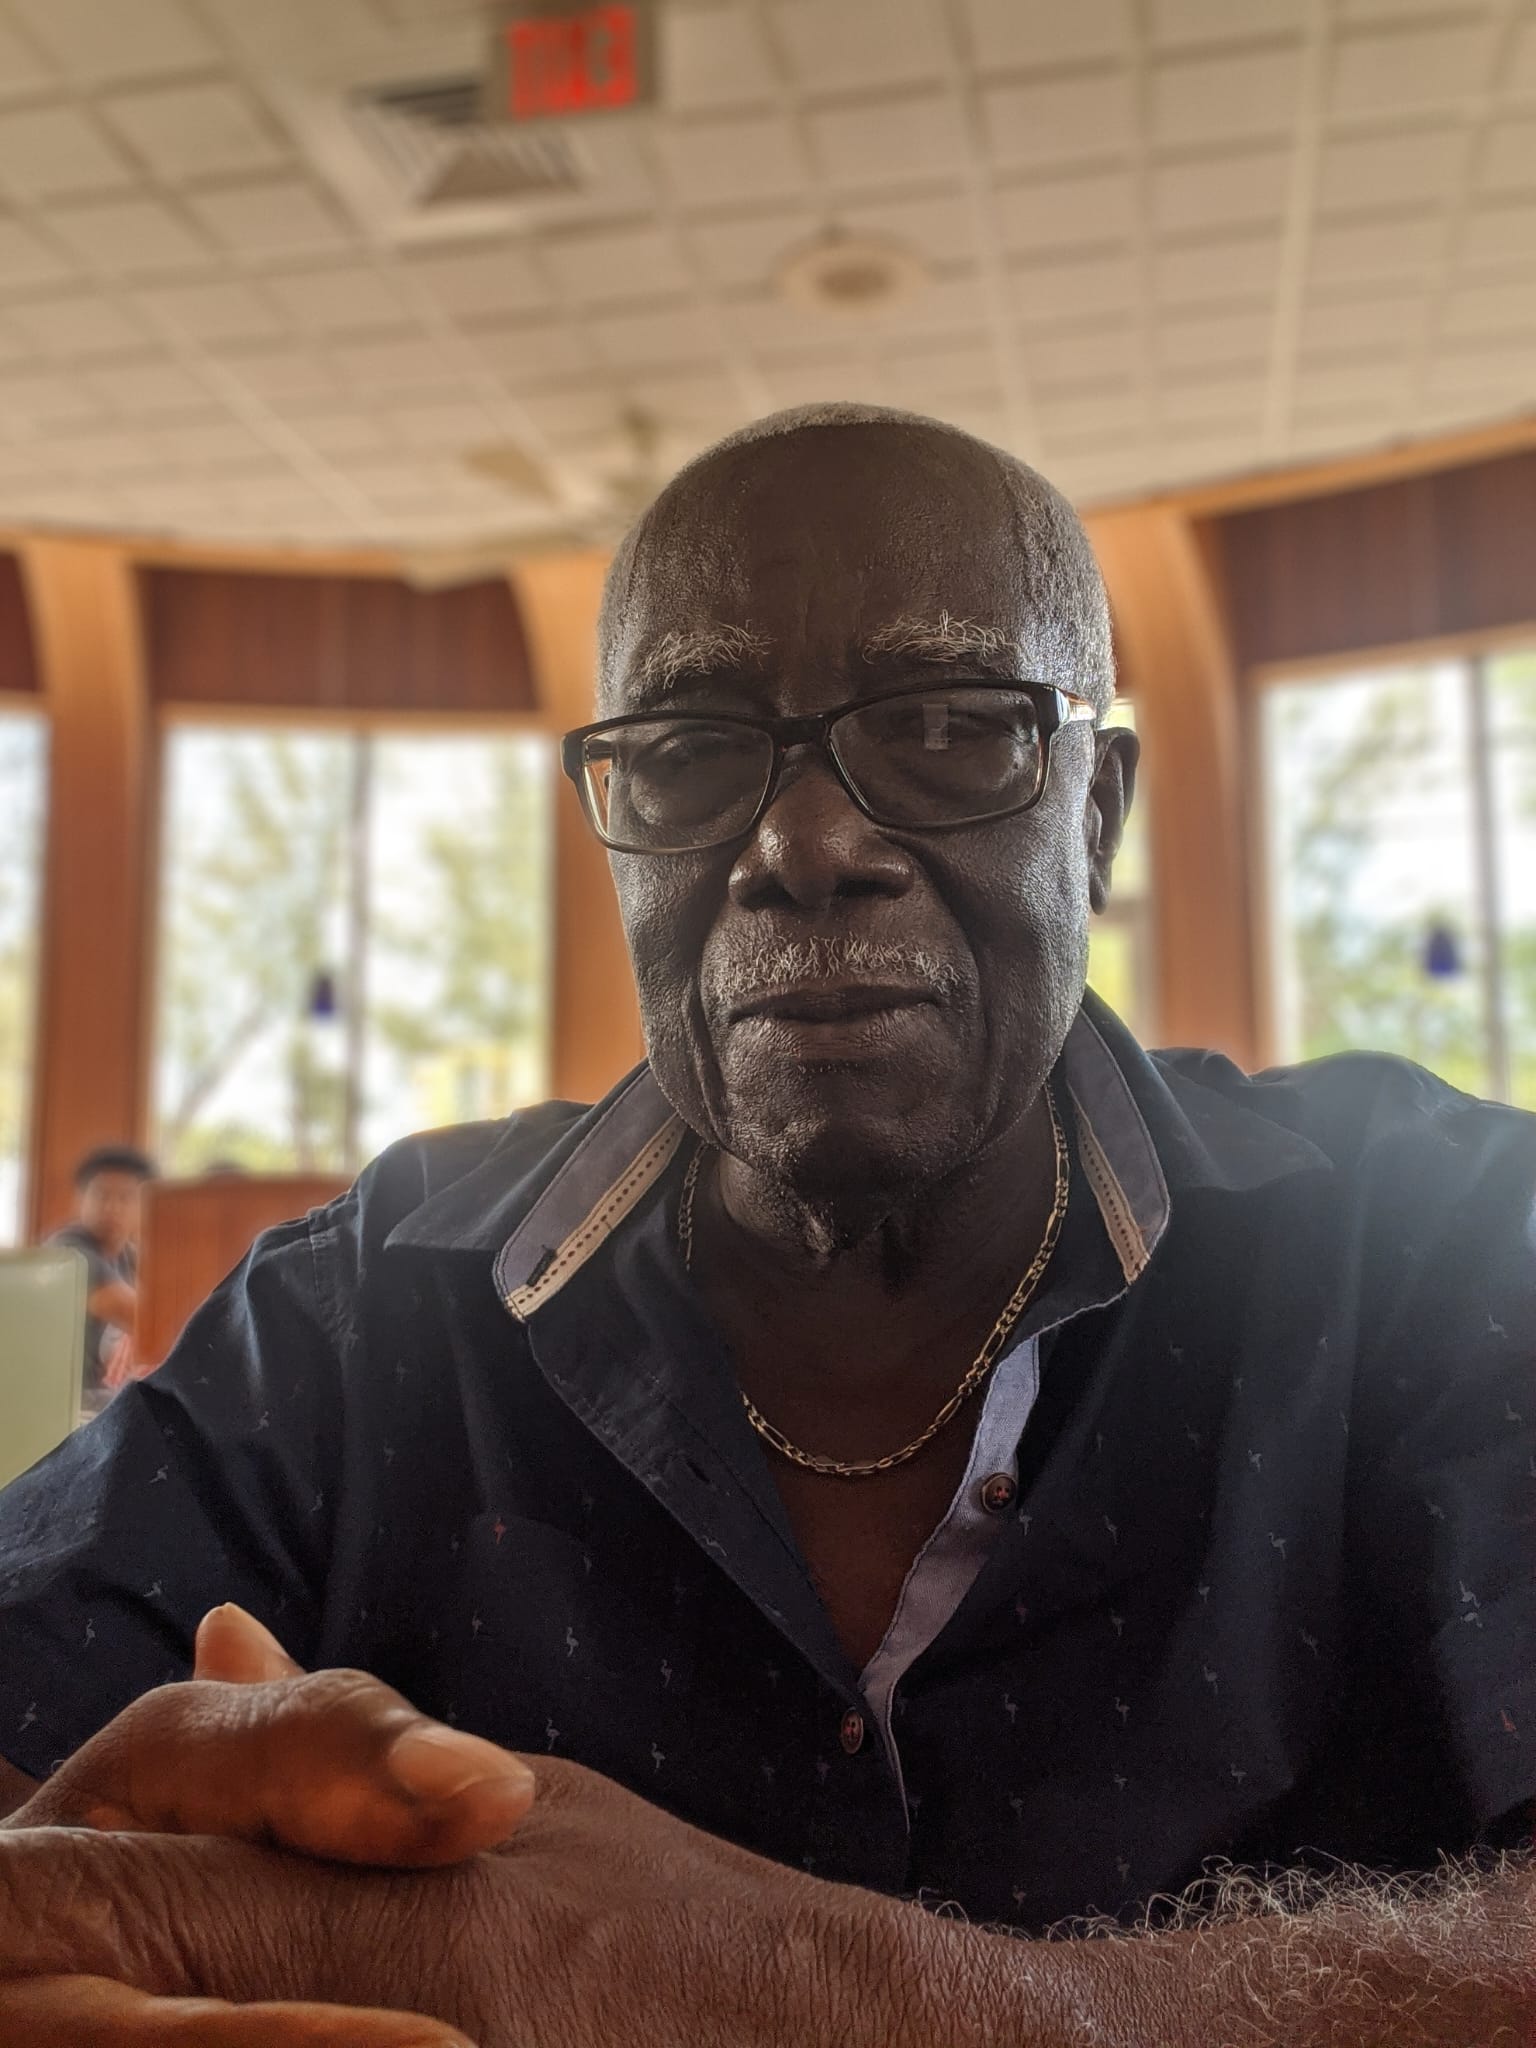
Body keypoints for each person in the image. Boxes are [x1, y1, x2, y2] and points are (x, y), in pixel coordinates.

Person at [0, 404, 1530, 2044]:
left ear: (1094, 814)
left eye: (944, 724)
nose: (803, 845)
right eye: (686, 752)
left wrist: (847, 2000)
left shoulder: (1441, 1245)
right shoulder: (364, 1308)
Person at [44, 1143, 155, 1414]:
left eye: (126, 1197)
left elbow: (153, 1319)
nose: (111, 1207)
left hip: (102, 1394)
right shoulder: (68, 1251)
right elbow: (137, 1315)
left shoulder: (129, 1255)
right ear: (80, 1199)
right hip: (66, 1399)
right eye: (101, 1194)